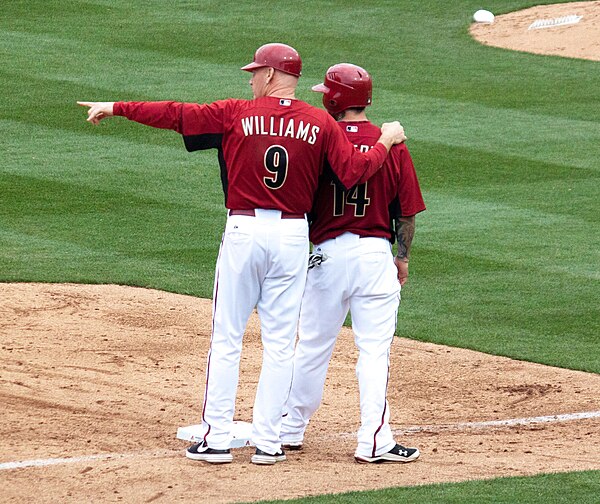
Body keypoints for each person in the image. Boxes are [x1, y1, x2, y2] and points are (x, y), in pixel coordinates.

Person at [78, 44, 407, 466]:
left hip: (244, 231)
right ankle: (269, 443)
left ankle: (216, 440)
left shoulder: (235, 112)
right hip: (292, 238)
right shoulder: (321, 121)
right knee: (280, 345)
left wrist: (116, 106)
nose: (250, 79)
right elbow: (354, 173)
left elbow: (175, 113)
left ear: (270, 75)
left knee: (227, 337)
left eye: (254, 72)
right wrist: (383, 140)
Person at [280, 63, 426, 463]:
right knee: (374, 351)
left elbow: (298, 199)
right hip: (374, 256)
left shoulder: (318, 140)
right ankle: (374, 442)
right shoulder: (392, 142)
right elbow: (407, 213)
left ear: (334, 99)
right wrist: (403, 258)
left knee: (311, 347)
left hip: (326, 257)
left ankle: (290, 429)